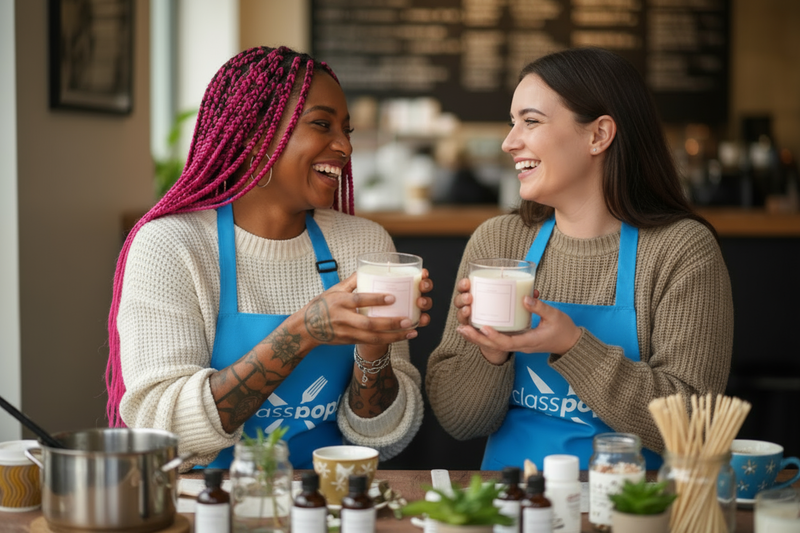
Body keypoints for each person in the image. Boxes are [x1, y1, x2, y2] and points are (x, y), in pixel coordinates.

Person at [105, 46, 431, 470]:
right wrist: (303, 331)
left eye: (346, 130)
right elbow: (164, 434)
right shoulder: (172, 245)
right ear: (254, 132)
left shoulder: (362, 244)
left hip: (330, 500)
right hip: (210, 506)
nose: (344, 146)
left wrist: (373, 349)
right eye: (322, 124)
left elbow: (382, 437)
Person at [426, 47, 733, 470]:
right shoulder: (499, 242)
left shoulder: (680, 250)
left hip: (631, 510)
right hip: (512, 505)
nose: (509, 142)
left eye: (530, 121)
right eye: (512, 123)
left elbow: (696, 430)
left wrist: (572, 345)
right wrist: (491, 353)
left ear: (598, 135)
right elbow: (460, 422)